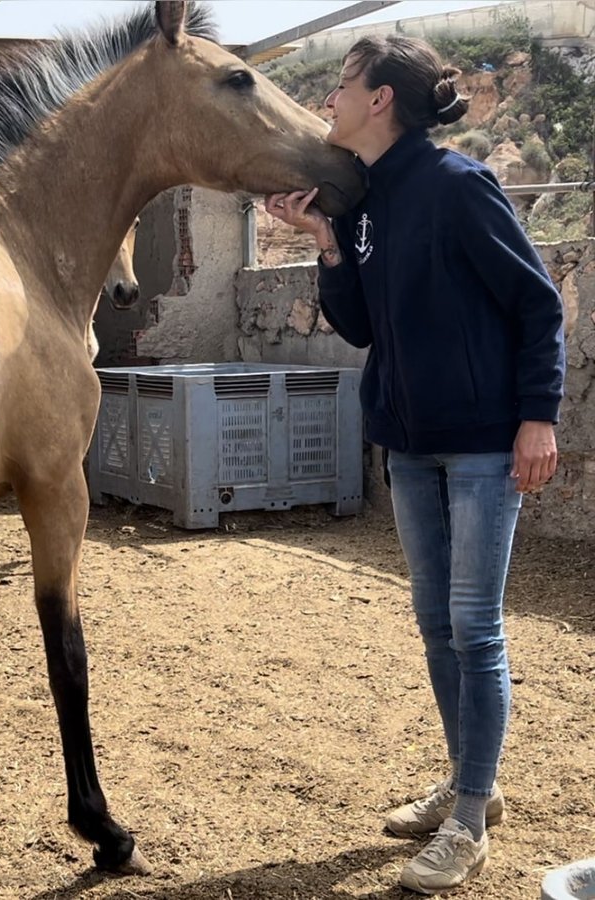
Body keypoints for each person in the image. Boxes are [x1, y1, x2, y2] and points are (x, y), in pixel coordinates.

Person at [264, 35, 565, 895]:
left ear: (382, 99)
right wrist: (324, 241)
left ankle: (468, 821)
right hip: (405, 439)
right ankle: (473, 783)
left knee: (474, 627)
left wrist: (537, 418)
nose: (330, 100)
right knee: (436, 626)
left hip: (480, 443)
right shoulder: (361, 206)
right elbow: (360, 328)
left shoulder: (460, 186)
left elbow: (537, 305)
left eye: (343, 85)